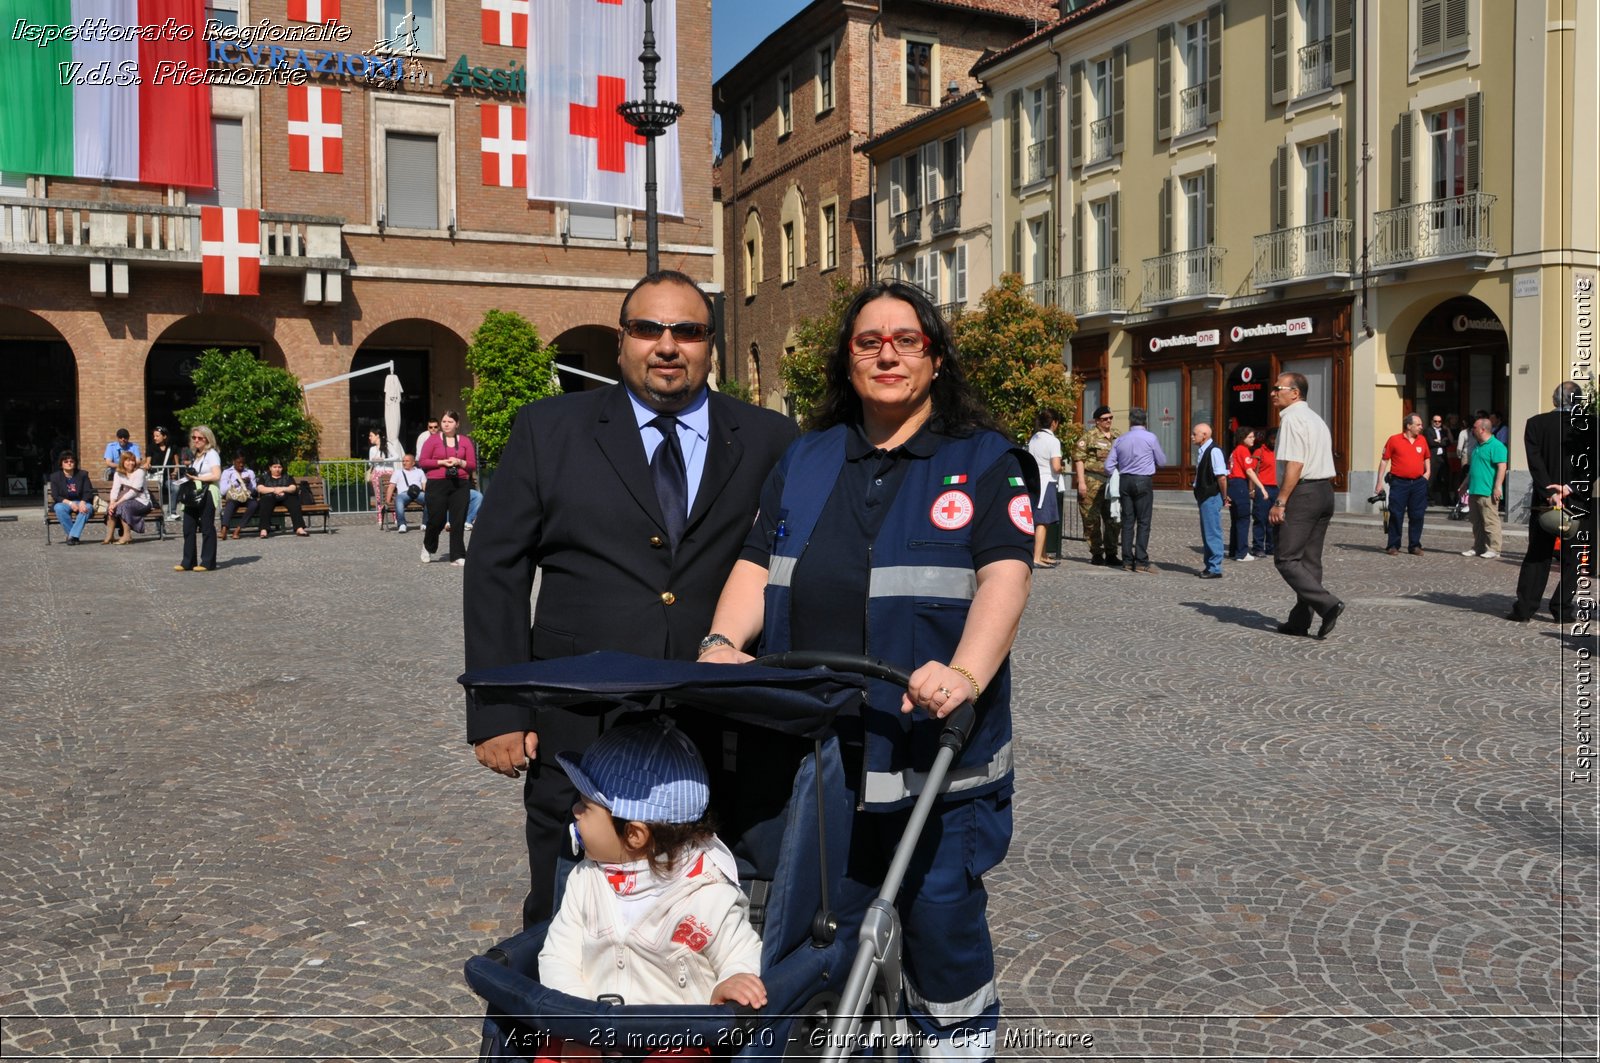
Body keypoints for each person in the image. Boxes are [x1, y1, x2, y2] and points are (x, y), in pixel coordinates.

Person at [697, 278, 1033, 1057]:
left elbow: (1005, 576)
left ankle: (955, 1044)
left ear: (937, 356)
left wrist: (966, 673)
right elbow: (758, 560)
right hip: (819, 743)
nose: (888, 353)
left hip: (932, 747)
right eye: (868, 341)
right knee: (823, 913)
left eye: (906, 339)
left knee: (938, 909)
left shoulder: (984, 460)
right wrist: (720, 640)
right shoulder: (807, 458)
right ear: (846, 362)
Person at [462, 268, 797, 928]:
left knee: (708, 921)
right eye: (648, 328)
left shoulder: (767, 440)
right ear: (622, 342)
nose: (667, 345)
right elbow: (495, 565)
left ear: (710, 346)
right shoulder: (547, 430)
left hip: (719, 728)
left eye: (688, 331)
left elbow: (786, 565)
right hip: (581, 727)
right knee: (565, 915)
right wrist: (499, 707)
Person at [537, 719, 765, 1015]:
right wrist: (576, 1024)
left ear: (634, 834)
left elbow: (742, 953)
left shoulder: (708, 893)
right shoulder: (585, 879)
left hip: (677, 1039)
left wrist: (732, 979)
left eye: (586, 805)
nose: (575, 811)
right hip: (590, 1029)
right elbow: (558, 957)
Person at [1267, 373, 1343, 639]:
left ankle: (1328, 604)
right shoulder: (1315, 418)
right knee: (1310, 561)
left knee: (1286, 558)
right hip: (1324, 491)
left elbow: (1295, 464)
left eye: (1278, 388)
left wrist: (1281, 501)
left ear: (1295, 393)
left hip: (1304, 493)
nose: (1273, 393)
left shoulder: (1292, 418)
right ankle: (1299, 621)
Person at [1510, 381, 1592, 622]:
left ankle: (1525, 608)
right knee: (1574, 558)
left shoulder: (1535, 424)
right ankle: (1562, 609)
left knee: (1538, 554)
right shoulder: (1592, 426)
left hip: (1545, 500)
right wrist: (1569, 488)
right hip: (1578, 500)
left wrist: (1550, 491)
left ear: (1555, 400)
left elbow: (1535, 463)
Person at [1104, 407, 1166, 572]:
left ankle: (1126, 560)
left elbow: (1108, 465)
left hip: (1125, 480)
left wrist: (1117, 473)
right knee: (1144, 521)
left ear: (1130, 421)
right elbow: (1162, 460)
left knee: (1127, 522)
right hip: (1143, 480)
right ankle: (1140, 561)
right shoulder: (1150, 438)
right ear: (1145, 421)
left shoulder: (1121, 439)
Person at [418, 410, 476, 565]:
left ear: (457, 424)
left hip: (460, 483)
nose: (446, 424)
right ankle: (427, 545)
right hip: (437, 483)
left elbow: (472, 464)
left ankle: (457, 555)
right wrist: (441, 462)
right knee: (437, 519)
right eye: (444, 421)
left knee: (458, 520)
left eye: (450, 421)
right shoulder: (432, 441)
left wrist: (459, 462)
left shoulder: (465, 441)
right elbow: (422, 461)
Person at [1375, 413, 1431, 556]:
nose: (1421, 427)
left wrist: (1427, 473)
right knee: (1396, 514)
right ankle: (1393, 545)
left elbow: (1426, 457)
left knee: (1417, 515)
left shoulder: (1422, 440)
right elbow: (1384, 460)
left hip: (1418, 483)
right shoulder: (1394, 440)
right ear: (1408, 426)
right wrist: (1379, 482)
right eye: (1418, 424)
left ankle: (1414, 545)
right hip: (1399, 483)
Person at [1073, 405, 1122, 566]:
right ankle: (1096, 553)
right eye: (1104, 419)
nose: (1108, 421)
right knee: (1091, 520)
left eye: (1110, 418)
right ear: (1097, 421)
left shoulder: (1117, 436)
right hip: (1092, 482)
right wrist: (1081, 482)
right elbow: (1079, 459)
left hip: (1112, 483)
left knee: (1113, 520)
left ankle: (1111, 553)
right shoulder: (1088, 437)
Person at [1457, 416, 1507, 559]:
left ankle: (1494, 549)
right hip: (1474, 490)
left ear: (1483, 429)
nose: (1472, 430)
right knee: (1476, 523)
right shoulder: (1477, 446)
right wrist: (1464, 485)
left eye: (1474, 427)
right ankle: (1478, 547)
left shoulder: (1497, 446)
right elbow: (1473, 470)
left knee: (1490, 522)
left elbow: (1502, 467)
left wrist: (1497, 487)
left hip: (1488, 492)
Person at [176, 426, 222, 572]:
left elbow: (216, 475)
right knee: (188, 527)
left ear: (207, 439)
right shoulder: (197, 455)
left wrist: (197, 477)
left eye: (199, 438)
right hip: (194, 493)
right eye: (194, 437)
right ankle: (188, 561)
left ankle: (208, 562)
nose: (196, 440)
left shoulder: (212, 454)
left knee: (207, 527)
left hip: (207, 492)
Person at [1026, 408, 1063, 568]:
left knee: (1041, 518)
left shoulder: (1035, 437)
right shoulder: (1053, 441)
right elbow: (1055, 466)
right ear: (1054, 423)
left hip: (1034, 479)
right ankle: (1036, 557)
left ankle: (1043, 554)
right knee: (1043, 520)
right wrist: (1061, 466)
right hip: (1047, 480)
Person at [1192, 423, 1228, 579]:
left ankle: (1214, 567)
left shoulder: (1214, 451)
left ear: (1204, 435)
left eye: (1195, 434)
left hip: (1210, 496)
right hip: (1204, 495)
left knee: (1212, 531)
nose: (1192, 437)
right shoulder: (1203, 450)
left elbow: (1221, 476)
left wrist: (1225, 496)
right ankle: (1210, 565)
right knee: (1207, 531)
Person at [1226, 426, 1262, 562]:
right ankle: (1242, 552)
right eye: (1250, 437)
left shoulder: (1234, 451)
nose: (1253, 439)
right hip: (1240, 484)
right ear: (1243, 438)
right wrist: (1261, 487)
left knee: (1235, 519)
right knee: (1243, 518)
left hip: (1233, 485)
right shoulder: (1243, 450)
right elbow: (1249, 471)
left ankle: (1234, 550)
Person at [49, 451, 98, 545]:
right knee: (58, 508)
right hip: (65, 503)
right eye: (66, 461)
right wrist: (71, 504)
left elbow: (88, 491)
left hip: (81, 501)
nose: (69, 463)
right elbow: (56, 495)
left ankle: (71, 536)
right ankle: (74, 536)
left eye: (71, 461)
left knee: (86, 509)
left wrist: (83, 502)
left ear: (75, 463)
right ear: (61, 464)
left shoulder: (82, 474)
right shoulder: (55, 477)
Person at [104, 450, 151, 545]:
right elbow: (115, 489)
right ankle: (110, 535)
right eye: (128, 460)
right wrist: (113, 502)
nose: (131, 463)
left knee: (123, 506)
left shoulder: (139, 472)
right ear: (122, 462)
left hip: (142, 501)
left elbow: (133, 492)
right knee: (111, 507)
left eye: (132, 460)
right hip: (126, 500)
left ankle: (127, 535)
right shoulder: (118, 473)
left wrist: (117, 503)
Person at [255, 459, 310, 538]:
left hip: (285, 496)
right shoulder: (264, 477)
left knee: (294, 502)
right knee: (265, 502)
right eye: (275, 467)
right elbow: (260, 488)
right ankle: (264, 529)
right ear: (270, 468)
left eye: (279, 467)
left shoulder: (287, 477)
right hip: (270, 497)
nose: (277, 469)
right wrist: (274, 490)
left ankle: (299, 528)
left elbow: (293, 487)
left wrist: (282, 489)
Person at [1250, 429, 1279, 557]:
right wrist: (1252, 489)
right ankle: (1258, 547)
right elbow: (1251, 471)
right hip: (1263, 488)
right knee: (1260, 518)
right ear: (1267, 438)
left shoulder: (1280, 452)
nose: (1274, 441)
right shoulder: (1259, 452)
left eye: (1276, 439)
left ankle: (1271, 546)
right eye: (1272, 438)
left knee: (1273, 520)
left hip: (1277, 489)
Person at [217, 453, 259, 539]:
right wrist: (237, 482)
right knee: (230, 504)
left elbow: (254, 489)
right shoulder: (227, 472)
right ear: (233, 462)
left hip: (246, 496)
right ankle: (224, 528)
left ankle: (238, 529)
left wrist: (248, 483)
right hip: (234, 496)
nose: (241, 464)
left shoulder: (249, 472)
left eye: (243, 462)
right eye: (238, 462)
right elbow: (223, 491)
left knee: (254, 505)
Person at [386, 452, 427, 533]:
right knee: (399, 499)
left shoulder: (420, 471)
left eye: (407, 461)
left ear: (413, 463)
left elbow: (424, 485)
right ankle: (402, 524)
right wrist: (387, 500)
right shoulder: (397, 472)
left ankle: (425, 524)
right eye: (403, 461)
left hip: (418, 493)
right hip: (404, 493)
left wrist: (427, 494)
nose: (404, 463)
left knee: (428, 500)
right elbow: (391, 486)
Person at [367, 428, 400, 525]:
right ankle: (380, 518)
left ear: (377, 436)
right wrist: (374, 460)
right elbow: (370, 463)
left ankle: (395, 517)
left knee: (392, 495)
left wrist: (384, 459)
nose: (369, 438)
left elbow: (396, 456)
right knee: (378, 496)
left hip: (389, 473)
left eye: (371, 435)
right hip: (377, 472)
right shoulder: (372, 449)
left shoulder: (388, 445)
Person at [145, 426, 180, 513]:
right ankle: (158, 513)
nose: (155, 438)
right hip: (155, 477)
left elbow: (177, 464)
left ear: (164, 436)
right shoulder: (151, 447)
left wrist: (175, 472)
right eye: (154, 436)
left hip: (168, 477)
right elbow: (147, 462)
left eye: (157, 436)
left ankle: (172, 511)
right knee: (156, 495)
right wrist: (147, 465)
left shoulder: (172, 447)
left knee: (176, 487)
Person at [1425, 414, 1453, 505]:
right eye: (1435, 421)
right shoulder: (1428, 430)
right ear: (1432, 421)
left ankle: (1446, 501)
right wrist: (1442, 442)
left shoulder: (1444, 431)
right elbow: (1430, 442)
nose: (1437, 423)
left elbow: (1449, 441)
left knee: (1444, 479)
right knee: (1431, 479)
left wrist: (1439, 441)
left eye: (1439, 421)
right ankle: (1429, 500)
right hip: (1433, 457)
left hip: (1443, 457)